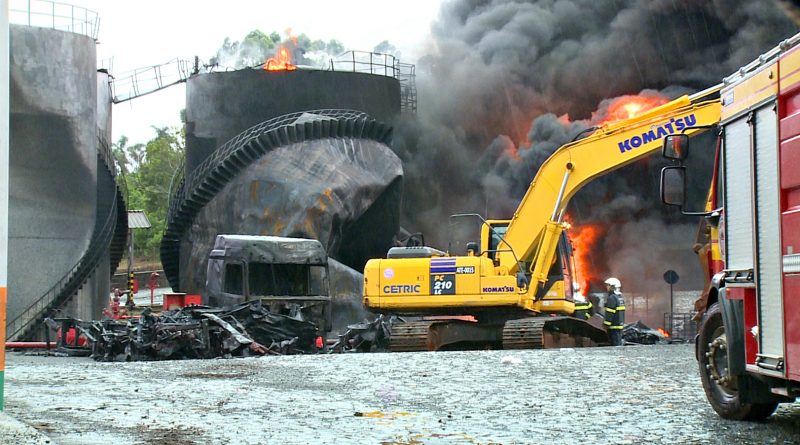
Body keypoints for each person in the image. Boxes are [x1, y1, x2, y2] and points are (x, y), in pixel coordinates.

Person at [603, 277, 625, 346]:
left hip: (613, 327)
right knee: (618, 344)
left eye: (608, 285)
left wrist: (606, 324)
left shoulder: (612, 298)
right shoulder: (620, 298)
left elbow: (610, 313)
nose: (607, 287)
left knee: (615, 346)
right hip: (619, 326)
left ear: (613, 287)